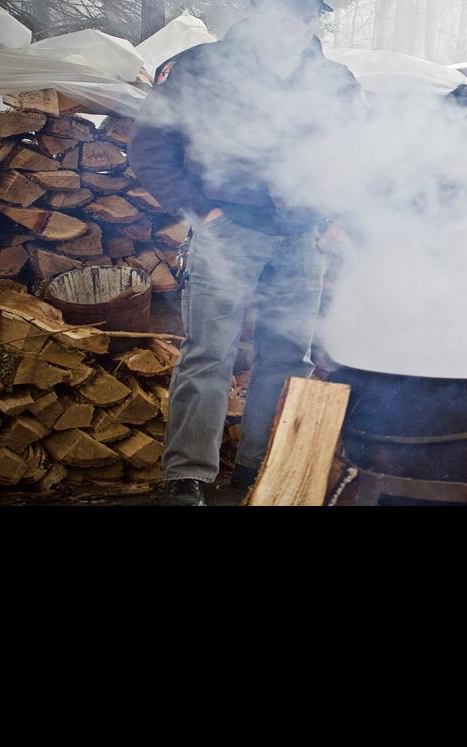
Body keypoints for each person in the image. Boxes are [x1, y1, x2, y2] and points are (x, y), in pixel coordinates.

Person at [128, 0, 361, 506]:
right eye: (287, 11)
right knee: (209, 353)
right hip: (228, 229)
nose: (299, 22)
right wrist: (201, 211)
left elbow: (356, 156)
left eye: (309, 14)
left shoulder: (335, 81)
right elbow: (150, 147)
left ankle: (262, 465)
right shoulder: (199, 67)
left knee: (288, 357)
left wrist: (338, 216)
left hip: (303, 236)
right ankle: (187, 476)